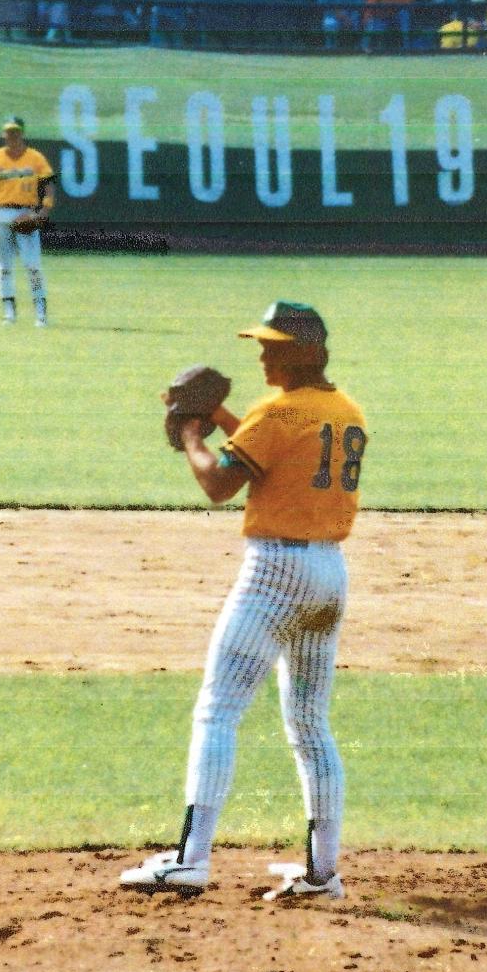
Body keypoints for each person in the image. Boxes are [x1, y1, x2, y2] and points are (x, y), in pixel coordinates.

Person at [120, 301, 368, 899]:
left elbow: (219, 483)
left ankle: (190, 858)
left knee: (218, 708)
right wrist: (220, 415)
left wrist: (189, 435)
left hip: (275, 574)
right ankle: (320, 872)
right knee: (310, 724)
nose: (262, 355)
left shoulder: (279, 413)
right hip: (329, 575)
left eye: (273, 346)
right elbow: (275, 454)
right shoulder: (344, 410)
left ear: (302, 352)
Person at [0, 117, 56, 326]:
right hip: (0, 213)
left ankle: (41, 313)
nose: (12, 136)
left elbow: (48, 185)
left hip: (25, 213)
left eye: (16, 132)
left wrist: (43, 210)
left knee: (33, 265)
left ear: (22, 133)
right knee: (4, 266)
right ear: (3, 134)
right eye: (8, 132)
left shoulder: (35, 157)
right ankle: (9, 313)